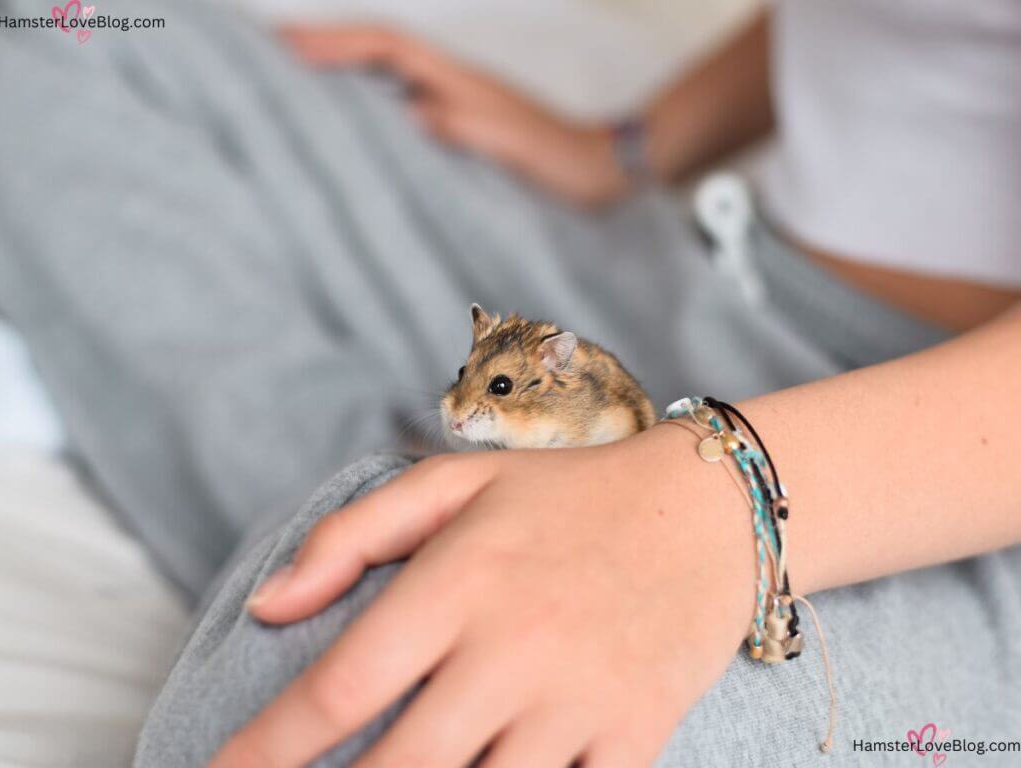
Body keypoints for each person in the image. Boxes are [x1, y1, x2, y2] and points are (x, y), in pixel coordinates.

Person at [198, 4, 1021, 766]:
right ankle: (395, 503)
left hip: (954, 484)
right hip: (716, 272)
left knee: (385, 664)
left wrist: (720, 502)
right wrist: (626, 148)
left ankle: (369, 510)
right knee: (95, 31)